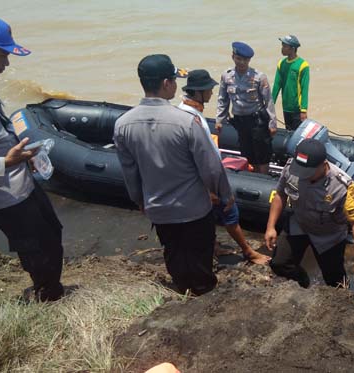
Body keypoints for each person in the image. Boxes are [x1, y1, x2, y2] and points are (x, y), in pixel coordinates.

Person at [114, 54, 233, 296]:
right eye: (175, 80)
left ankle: (182, 290)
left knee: (173, 253)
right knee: (200, 256)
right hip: (193, 209)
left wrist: (139, 200)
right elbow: (211, 167)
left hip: (159, 209)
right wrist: (225, 194)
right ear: (167, 83)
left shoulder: (123, 124)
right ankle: (204, 295)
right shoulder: (186, 122)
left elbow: (130, 171)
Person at [0, 17, 65, 302]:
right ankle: (47, 296)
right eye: (4, 55)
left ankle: (49, 288)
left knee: (50, 233)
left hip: (20, 184)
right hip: (6, 195)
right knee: (37, 248)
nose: (8, 64)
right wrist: (6, 162)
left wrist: (24, 158)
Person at [177, 69, 270, 265]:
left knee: (208, 214)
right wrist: (218, 189)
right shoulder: (192, 119)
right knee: (230, 211)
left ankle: (213, 245)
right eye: (208, 90)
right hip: (204, 179)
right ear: (197, 92)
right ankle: (248, 252)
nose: (212, 93)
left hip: (193, 179)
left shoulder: (183, 112)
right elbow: (206, 158)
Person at [264, 138, 354, 288]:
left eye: (308, 172)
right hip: (299, 224)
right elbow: (280, 195)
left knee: (335, 280)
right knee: (279, 264)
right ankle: (302, 280)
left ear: (323, 165)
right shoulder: (291, 168)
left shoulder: (342, 186)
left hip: (329, 235)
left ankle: (342, 301)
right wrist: (271, 226)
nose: (302, 175)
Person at [216, 42, 277, 174]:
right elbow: (223, 99)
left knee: (262, 155)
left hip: (257, 121)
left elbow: (268, 101)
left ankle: (264, 178)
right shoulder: (226, 76)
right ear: (233, 57)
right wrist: (219, 120)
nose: (242, 62)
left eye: (245, 59)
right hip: (240, 121)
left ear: (249, 60)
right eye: (239, 59)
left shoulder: (258, 77)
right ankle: (253, 176)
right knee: (248, 154)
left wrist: (272, 123)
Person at [271, 35, 310, 130]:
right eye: (282, 45)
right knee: (288, 131)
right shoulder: (281, 63)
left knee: (297, 134)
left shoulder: (303, 65)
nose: (282, 49)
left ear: (292, 48)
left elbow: (304, 89)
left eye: (284, 46)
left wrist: (304, 110)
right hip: (286, 107)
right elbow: (277, 85)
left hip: (297, 109)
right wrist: (270, 104)